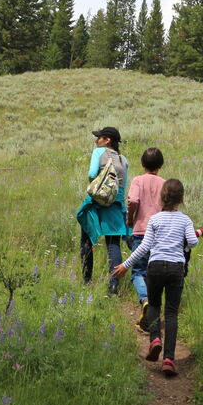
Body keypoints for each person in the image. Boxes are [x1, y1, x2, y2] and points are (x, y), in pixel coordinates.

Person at [113, 178, 202, 376]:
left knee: (153, 305)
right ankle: (169, 359)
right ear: (181, 199)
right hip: (176, 268)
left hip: (155, 267)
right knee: (171, 313)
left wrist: (125, 265)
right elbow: (193, 243)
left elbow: (144, 247)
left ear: (162, 198)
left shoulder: (155, 219)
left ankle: (154, 339)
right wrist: (192, 238)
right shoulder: (185, 220)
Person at [76, 126, 129, 294]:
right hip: (115, 203)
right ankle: (113, 285)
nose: (96, 140)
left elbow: (92, 174)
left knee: (87, 239)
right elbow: (123, 185)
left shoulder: (99, 152)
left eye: (99, 137)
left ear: (107, 140)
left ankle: (87, 280)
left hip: (96, 201)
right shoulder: (124, 159)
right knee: (113, 244)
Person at [126, 147, 165, 329]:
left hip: (141, 232)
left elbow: (133, 201)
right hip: (160, 235)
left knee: (137, 273)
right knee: (153, 274)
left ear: (142, 164)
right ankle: (152, 313)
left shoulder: (137, 180)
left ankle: (145, 300)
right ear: (161, 165)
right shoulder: (164, 183)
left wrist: (130, 218)